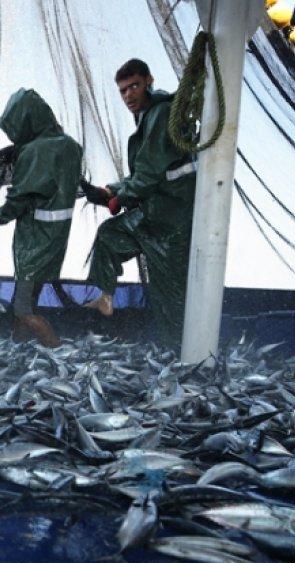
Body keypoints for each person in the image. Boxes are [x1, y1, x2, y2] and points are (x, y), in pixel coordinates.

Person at [82, 58, 196, 348]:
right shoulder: (148, 115)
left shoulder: (160, 114)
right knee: (110, 235)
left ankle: (181, 356)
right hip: (154, 214)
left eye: (134, 86)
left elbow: (147, 178)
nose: (128, 95)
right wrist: (111, 189)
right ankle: (106, 298)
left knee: (170, 297)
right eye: (122, 90)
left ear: (149, 81)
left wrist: (120, 197)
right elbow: (144, 174)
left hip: (172, 222)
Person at [0, 89, 82, 348]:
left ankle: (61, 353)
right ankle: (17, 346)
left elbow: (21, 197)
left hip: (33, 240)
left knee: (23, 308)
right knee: (27, 298)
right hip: (56, 238)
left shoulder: (34, 151)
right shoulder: (70, 146)